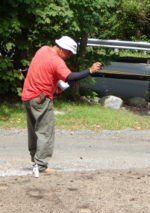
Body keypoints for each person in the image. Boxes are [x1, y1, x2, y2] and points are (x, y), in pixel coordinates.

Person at [22, 35, 102, 174]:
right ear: (62, 49)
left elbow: (42, 71)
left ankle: (34, 160)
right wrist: (90, 71)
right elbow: (70, 77)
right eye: (69, 52)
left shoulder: (43, 50)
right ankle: (41, 165)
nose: (69, 56)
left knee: (33, 130)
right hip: (41, 99)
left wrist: (55, 86)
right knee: (45, 132)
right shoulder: (56, 61)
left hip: (28, 96)